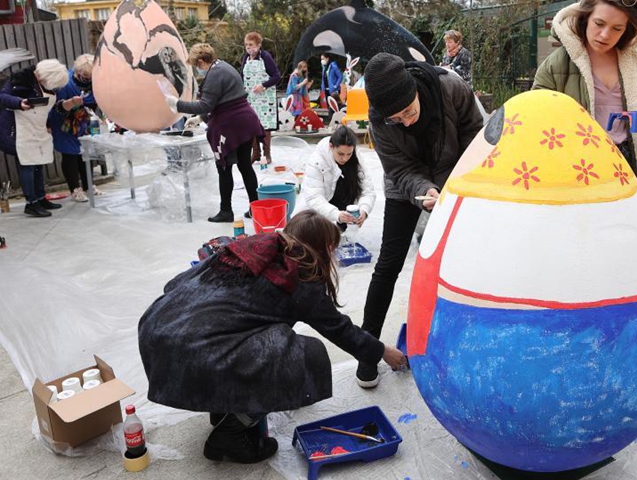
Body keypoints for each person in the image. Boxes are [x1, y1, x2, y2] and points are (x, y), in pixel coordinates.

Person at [138, 210, 407, 464]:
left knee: (251, 331)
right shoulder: (299, 275)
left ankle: (223, 409)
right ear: (318, 248)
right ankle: (230, 436)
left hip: (158, 329)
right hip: (191, 351)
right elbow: (340, 329)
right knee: (303, 354)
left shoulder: (251, 247)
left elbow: (174, 285)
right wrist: (382, 351)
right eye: (330, 248)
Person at [357, 52, 483, 388]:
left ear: (415, 89)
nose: (406, 121)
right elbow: (398, 169)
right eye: (396, 119)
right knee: (388, 265)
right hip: (407, 187)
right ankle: (367, 350)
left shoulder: (450, 87)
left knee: (460, 260)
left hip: (455, 178)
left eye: (409, 111)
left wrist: (457, 181)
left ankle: (458, 343)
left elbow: (476, 132)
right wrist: (425, 188)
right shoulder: (379, 120)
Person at [533, 0, 637, 208]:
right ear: (585, 18)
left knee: (623, 228)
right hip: (574, 165)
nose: (605, 35)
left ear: (628, 29)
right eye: (599, 23)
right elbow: (537, 113)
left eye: (617, 28)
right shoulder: (557, 63)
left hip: (625, 162)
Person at [165, 43, 264, 223]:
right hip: (246, 121)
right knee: (245, 166)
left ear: (202, 62)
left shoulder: (214, 74)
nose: (197, 70)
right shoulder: (224, 66)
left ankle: (226, 211)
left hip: (231, 126)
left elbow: (206, 105)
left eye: (197, 66)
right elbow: (224, 100)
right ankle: (255, 208)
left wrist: (176, 104)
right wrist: (200, 119)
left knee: (224, 168)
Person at [0, 59, 69, 217]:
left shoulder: (45, 84)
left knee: (38, 163)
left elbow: (45, 110)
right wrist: (19, 102)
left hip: (37, 129)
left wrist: (49, 123)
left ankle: (40, 198)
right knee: (28, 165)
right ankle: (31, 203)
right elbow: (2, 96)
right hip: (17, 130)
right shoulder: (20, 79)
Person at [48, 54, 103, 203]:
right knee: (70, 154)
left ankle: (89, 185)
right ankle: (75, 189)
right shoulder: (65, 82)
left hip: (87, 120)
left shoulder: (96, 81)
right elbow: (56, 106)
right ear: (77, 71)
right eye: (84, 76)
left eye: (90, 76)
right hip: (65, 122)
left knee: (87, 152)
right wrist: (72, 103)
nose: (87, 79)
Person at [303, 125, 375, 230]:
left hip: (344, 210)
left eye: (349, 154)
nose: (345, 158)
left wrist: (364, 210)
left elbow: (368, 191)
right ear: (331, 146)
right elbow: (314, 197)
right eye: (340, 154)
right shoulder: (316, 162)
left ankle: (341, 228)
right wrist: (335, 214)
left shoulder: (356, 159)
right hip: (322, 212)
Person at [241, 32, 281, 164]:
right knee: (251, 124)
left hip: (265, 97)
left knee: (265, 126)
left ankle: (267, 153)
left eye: (251, 45)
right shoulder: (246, 57)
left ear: (258, 45)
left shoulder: (265, 57)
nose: (248, 48)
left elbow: (276, 76)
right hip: (250, 98)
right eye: (246, 45)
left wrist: (263, 85)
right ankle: (255, 152)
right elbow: (242, 75)